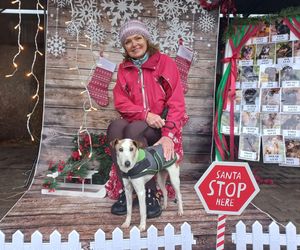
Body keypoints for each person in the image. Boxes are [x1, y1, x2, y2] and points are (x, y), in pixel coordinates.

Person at [107, 19, 188, 218]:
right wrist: (145, 115)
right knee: (115, 128)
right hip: (139, 119)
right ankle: (126, 190)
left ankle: (150, 192)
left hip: (160, 126)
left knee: (134, 130)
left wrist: (169, 133)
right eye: (128, 41)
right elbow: (121, 102)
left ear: (146, 39)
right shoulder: (124, 69)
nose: (134, 44)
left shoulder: (165, 63)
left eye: (138, 38)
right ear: (124, 46)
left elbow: (177, 103)